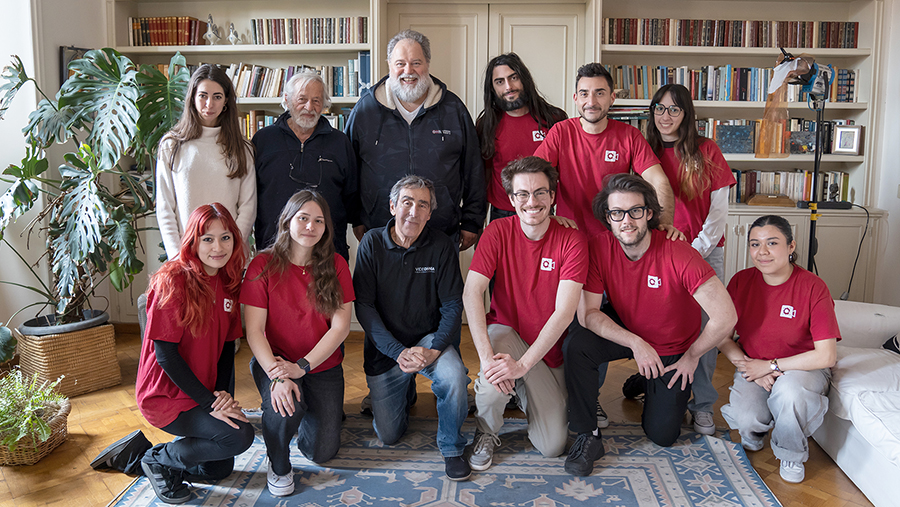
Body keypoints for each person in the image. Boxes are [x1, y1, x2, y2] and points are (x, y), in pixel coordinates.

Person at [564, 174, 736, 477]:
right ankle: (586, 435)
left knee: (663, 435)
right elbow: (588, 314)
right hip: (630, 332)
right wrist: (635, 343)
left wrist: (692, 357)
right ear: (607, 216)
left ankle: (646, 382)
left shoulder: (679, 252)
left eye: (635, 211)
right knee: (578, 343)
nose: (626, 220)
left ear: (649, 213)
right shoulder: (599, 247)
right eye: (617, 213)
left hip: (672, 347)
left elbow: (726, 316)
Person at [622, 83, 737, 435]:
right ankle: (656, 382)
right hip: (653, 255)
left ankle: (702, 404)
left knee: (707, 328)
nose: (665, 116)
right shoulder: (643, 150)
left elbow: (719, 212)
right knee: (659, 323)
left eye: (673, 109)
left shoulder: (706, 150)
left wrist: (693, 250)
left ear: (686, 113)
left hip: (702, 252)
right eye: (658, 109)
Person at [463, 156, 588, 471]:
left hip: (546, 352)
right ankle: (487, 431)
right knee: (493, 378)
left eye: (540, 192)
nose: (532, 201)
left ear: (553, 196)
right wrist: (488, 358)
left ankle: (519, 388)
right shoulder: (496, 232)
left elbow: (564, 312)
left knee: (552, 446)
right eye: (522, 194)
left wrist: (521, 367)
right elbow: (471, 292)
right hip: (505, 335)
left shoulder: (572, 240)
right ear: (510, 198)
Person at [135, 203, 254, 504]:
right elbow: (166, 356)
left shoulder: (229, 281)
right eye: (208, 239)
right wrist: (210, 403)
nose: (218, 247)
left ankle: (137, 451)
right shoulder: (173, 279)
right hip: (166, 394)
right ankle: (157, 458)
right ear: (193, 240)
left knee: (217, 469)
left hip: (202, 390)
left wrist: (224, 397)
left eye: (225, 237)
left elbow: (228, 347)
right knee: (239, 436)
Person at [354, 175, 471, 481]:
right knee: (389, 435)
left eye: (422, 205)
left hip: (430, 340)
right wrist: (397, 351)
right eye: (407, 202)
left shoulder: (442, 246)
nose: (414, 211)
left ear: (430, 213)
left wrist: (434, 350)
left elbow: (452, 306)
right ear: (393, 206)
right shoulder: (371, 243)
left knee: (454, 377)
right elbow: (364, 306)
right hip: (388, 350)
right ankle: (405, 392)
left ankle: (451, 446)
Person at [241, 190, 355, 497]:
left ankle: (306, 411)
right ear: (287, 221)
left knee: (322, 452)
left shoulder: (336, 264)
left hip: (320, 366)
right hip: (275, 362)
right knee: (283, 410)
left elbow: (341, 327)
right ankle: (277, 461)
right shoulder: (261, 265)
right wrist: (278, 375)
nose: (310, 226)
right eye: (303, 218)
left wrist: (302, 368)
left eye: (319, 220)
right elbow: (254, 332)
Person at [719, 215, 839, 484]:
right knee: (745, 418)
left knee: (789, 392)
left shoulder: (813, 287)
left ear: (791, 246)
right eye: (755, 244)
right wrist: (751, 368)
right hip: (756, 364)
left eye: (772, 243)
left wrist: (771, 366)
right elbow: (723, 338)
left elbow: (826, 355)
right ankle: (757, 432)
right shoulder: (740, 282)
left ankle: (791, 453)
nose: (762, 252)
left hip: (803, 367)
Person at [345, 29, 485, 251]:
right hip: (380, 232)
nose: (408, 71)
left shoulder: (453, 109)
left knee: (440, 287)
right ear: (389, 64)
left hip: (441, 231)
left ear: (428, 64)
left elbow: (473, 169)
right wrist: (357, 218)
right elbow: (350, 170)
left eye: (416, 63)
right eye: (400, 63)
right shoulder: (365, 111)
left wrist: (472, 221)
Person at [533, 63, 682, 240]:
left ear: (612, 98)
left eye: (600, 93)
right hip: (569, 237)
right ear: (575, 98)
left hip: (616, 238)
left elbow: (658, 181)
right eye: (584, 94)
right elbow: (534, 178)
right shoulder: (560, 132)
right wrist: (546, 216)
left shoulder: (629, 135)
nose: (591, 102)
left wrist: (663, 225)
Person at [253, 69, 358, 259]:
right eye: (302, 99)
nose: (309, 107)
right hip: (273, 251)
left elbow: (352, 199)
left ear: (324, 104)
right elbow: (250, 195)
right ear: (287, 99)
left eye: (316, 101)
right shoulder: (263, 140)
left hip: (327, 253)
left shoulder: (340, 143)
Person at [156, 64, 256, 260]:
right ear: (192, 98)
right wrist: (177, 257)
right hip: (185, 258)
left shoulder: (242, 147)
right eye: (203, 95)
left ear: (226, 101)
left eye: (217, 97)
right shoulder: (172, 144)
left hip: (229, 257)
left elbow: (248, 207)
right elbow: (165, 207)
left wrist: (228, 250)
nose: (209, 104)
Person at [476, 52, 567, 222]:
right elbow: (483, 177)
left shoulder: (554, 119)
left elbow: (566, 172)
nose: (508, 87)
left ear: (524, 79)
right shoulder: (486, 125)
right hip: (502, 214)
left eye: (514, 78)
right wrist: (478, 223)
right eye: (499, 82)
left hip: (544, 210)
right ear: (493, 88)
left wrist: (562, 213)